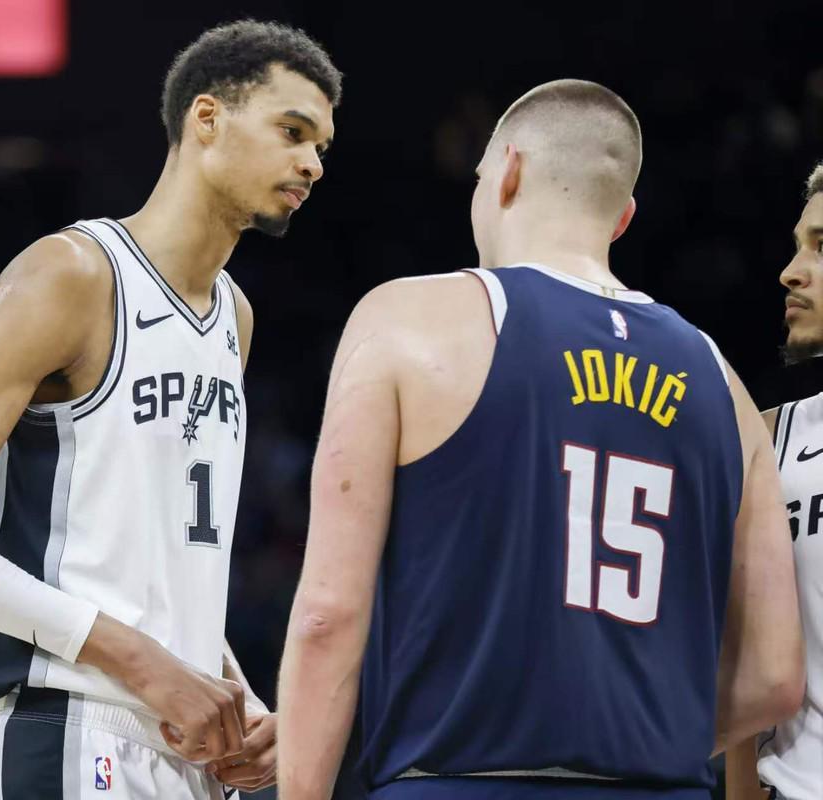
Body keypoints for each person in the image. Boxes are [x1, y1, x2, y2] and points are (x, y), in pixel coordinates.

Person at [276, 79, 803, 800]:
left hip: (458, 783)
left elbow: (327, 615)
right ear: (622, 218)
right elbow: (774, 677)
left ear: (509, 171)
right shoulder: (725, 384)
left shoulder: (405, 318)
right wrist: (641, 746)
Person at [0, 19, 340, 799]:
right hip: (69, 732)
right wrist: (142, 663)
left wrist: (236, 700)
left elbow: (151, 570)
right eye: (292, 131)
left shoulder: (234, 319)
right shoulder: (74, 275)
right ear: (207, 118)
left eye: (321, 145)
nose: (312, 163)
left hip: (183, 747)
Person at [726, 162, 823, 800]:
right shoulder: (765, 438)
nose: (791, 271)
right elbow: (740, 651)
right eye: (798, 246)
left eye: (822, 247)